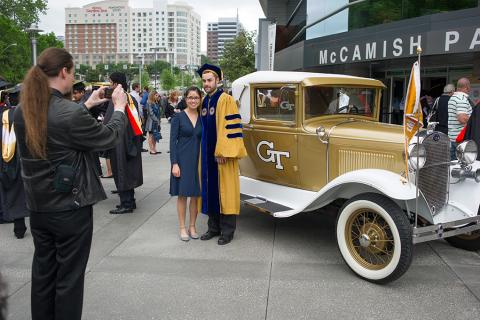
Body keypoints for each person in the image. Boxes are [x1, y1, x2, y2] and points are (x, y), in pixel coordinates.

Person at [13, 47, 128, 320]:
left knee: (43, 275)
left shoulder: (22, 111)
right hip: (70, 209)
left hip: (39, 207)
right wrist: (120, 108)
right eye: (72, 72)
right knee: (69, 280)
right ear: (64, 71)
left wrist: (85, 105)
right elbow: (108, 137)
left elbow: (56, 124)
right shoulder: (67, 114)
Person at [197, 64, 247, 245]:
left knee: (225, 192)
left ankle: (227, 231)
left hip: (221, 156)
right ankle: (213, 228)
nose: (206, 84)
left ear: (218, 80)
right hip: (207, 156)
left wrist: (222, 151)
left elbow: (231, 127)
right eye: (204, 81)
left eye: (210, 80)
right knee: (210, 190)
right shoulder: (204, 101)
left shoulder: (226, 99)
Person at [103, 72, 144, 214]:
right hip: (130, 140)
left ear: (115, 84)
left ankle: (126, 203)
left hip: (120, 141)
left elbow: (109, 120)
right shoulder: (130, 97)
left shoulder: (117, 98)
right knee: (128, 171)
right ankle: (130, 201)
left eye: (110, 82)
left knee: (121, 171)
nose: (109, 85)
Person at [170, 87, 203, 241]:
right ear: (185, 99)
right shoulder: (178, 117)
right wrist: (174, 163)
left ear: (200, 99)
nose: (193, 100)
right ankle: (182, 227)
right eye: (190, 97)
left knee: (196, 195)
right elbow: (172, 142)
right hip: (183, 160)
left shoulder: (203, 117)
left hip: (198, 160)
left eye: (196, 97)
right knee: (183, 195)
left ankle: (192, 226)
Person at [0, 97, 28, 239]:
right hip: (27, 158)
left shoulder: (3, 115)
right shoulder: (29, 113)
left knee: (12, 191)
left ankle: (17, 224)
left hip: (7, 160)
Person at [448, 78, 473, 160]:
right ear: (467, 87)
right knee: (462, 166)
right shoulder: (461, 99)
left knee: (453, 166)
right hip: (460, 139)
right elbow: (462, 118)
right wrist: (473, 120)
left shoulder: (453, 97)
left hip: (452, 137)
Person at [145, 90, 161, 154]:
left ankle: (154, 149)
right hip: (151, 122)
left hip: (156, 121)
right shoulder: (149, 103)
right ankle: (151, 149)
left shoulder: (156, 103)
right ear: (152, 96)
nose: (157, 96)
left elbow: (159, 113)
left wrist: (159, 121)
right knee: (151, 135)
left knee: (155, 135)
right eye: (156, 95)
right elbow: (151, 113)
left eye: (157, 95)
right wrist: (157, 120)